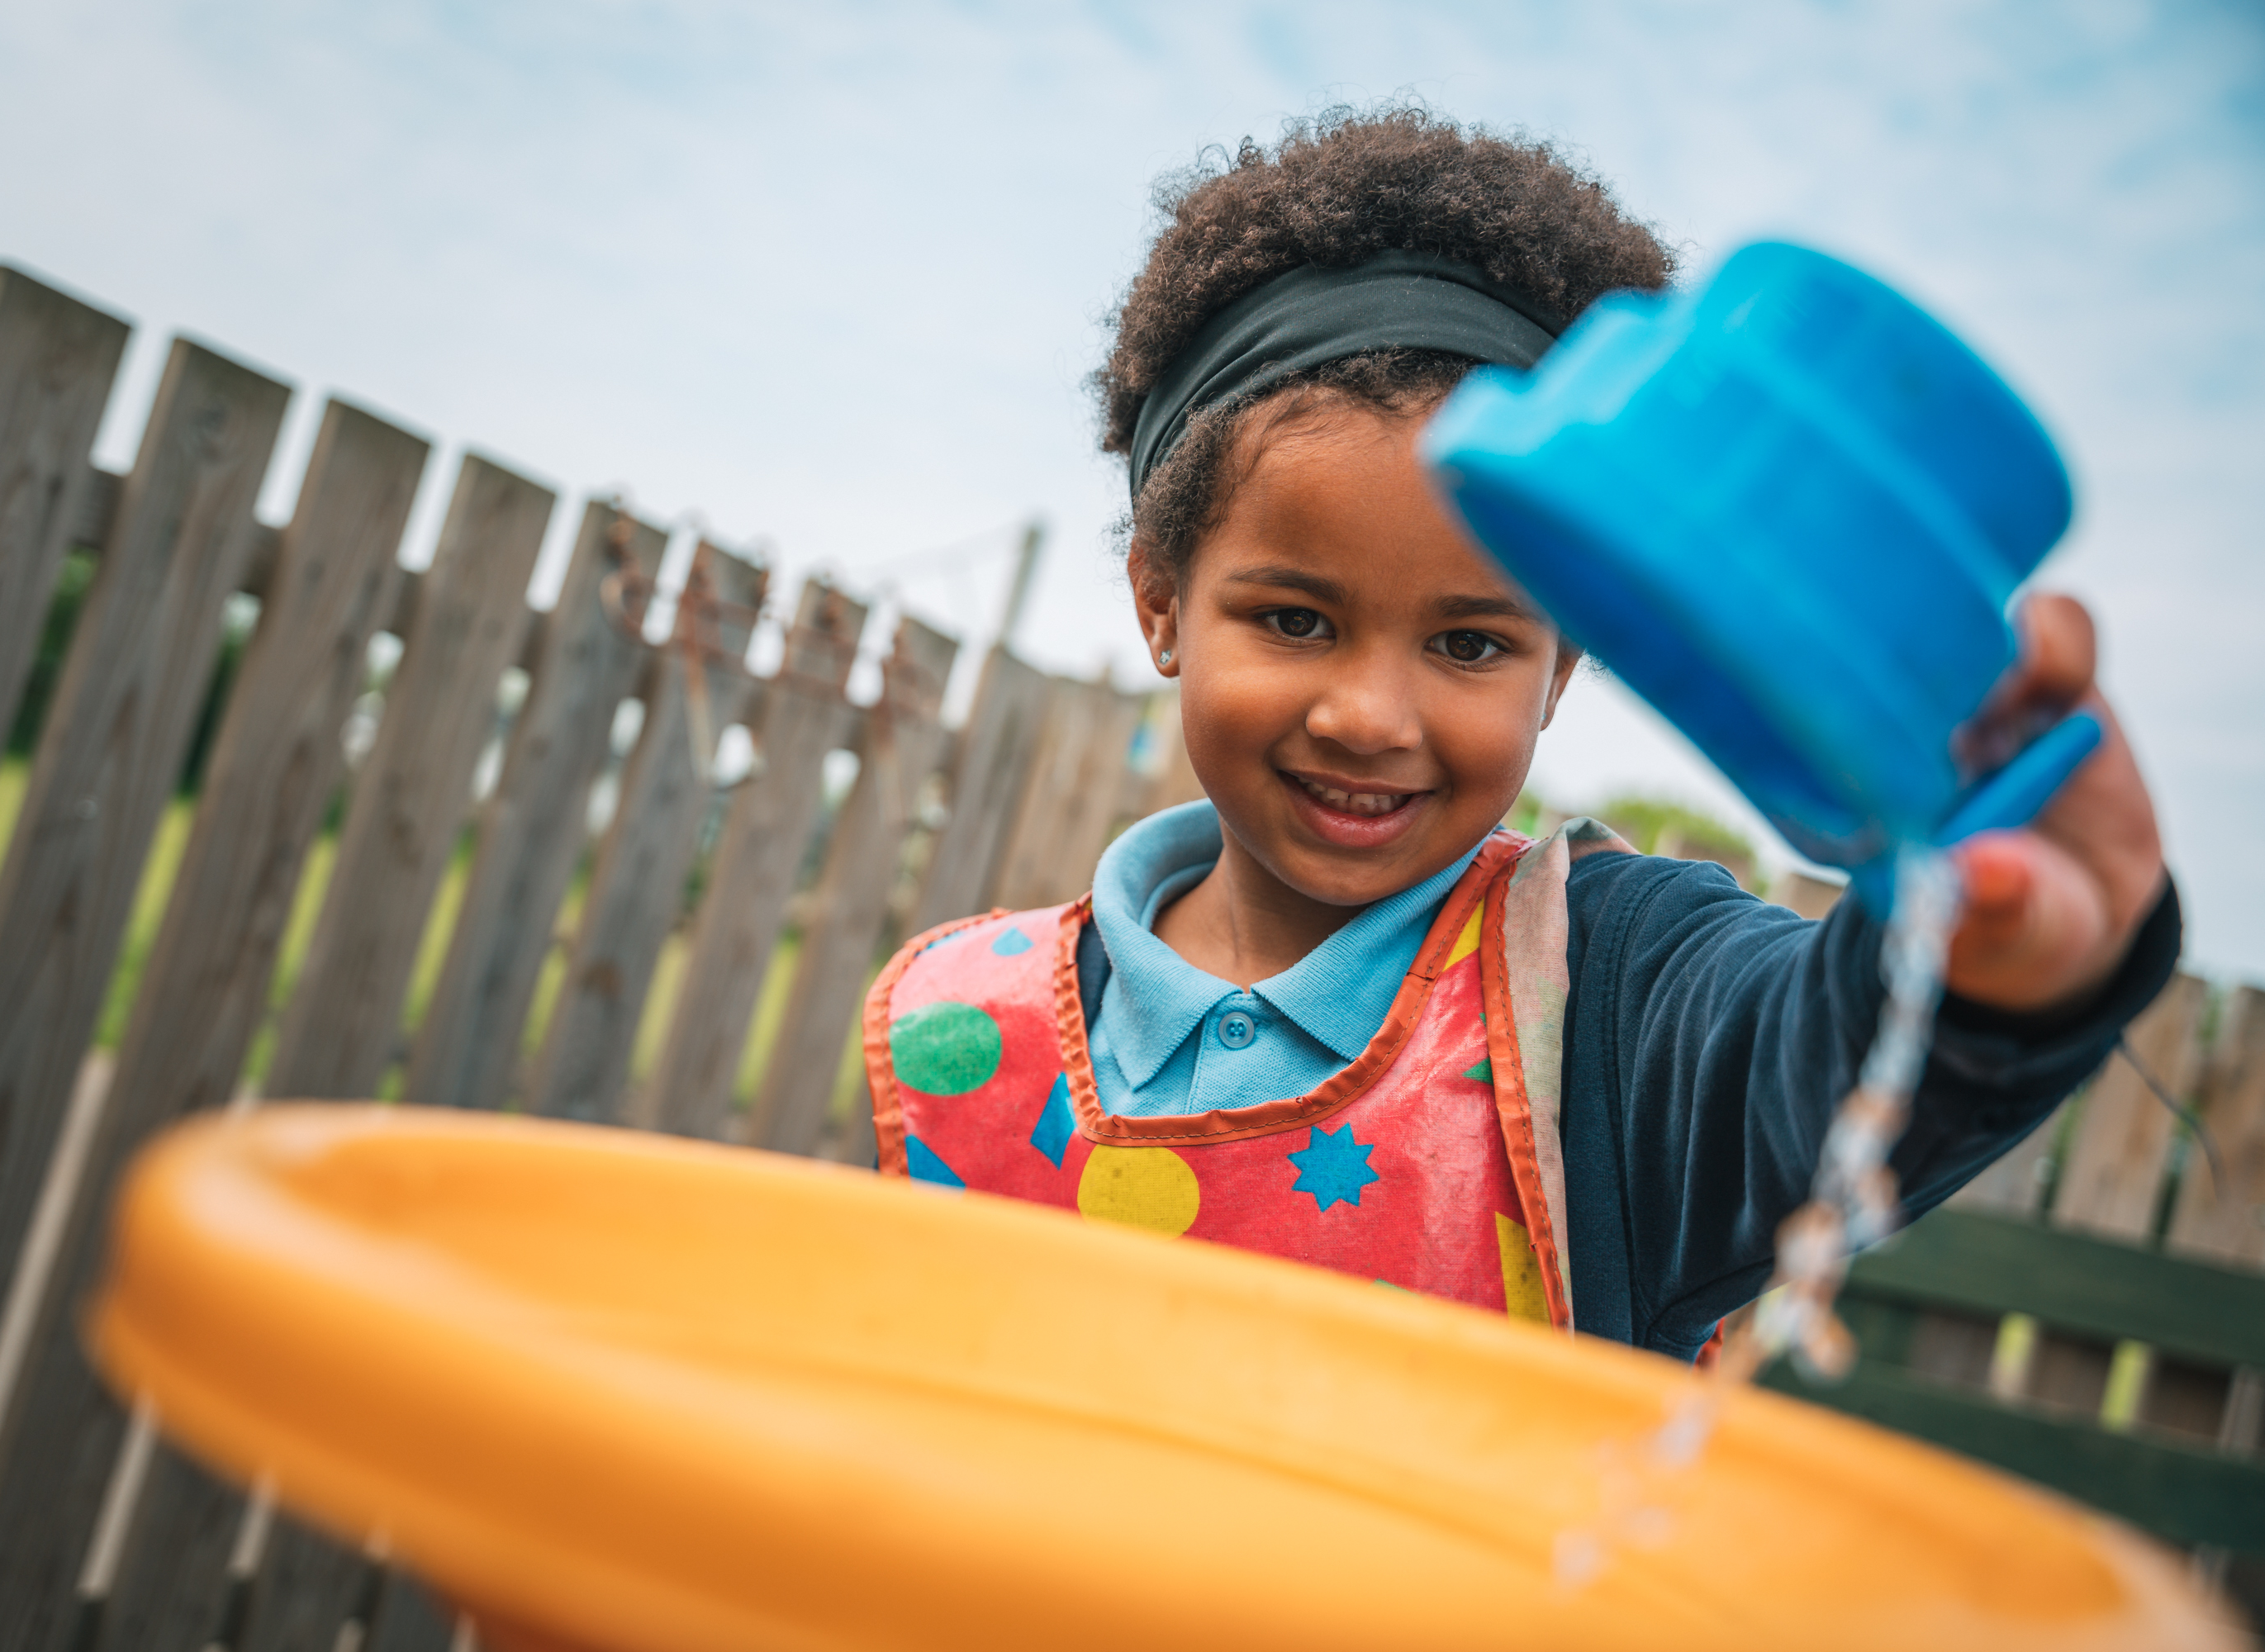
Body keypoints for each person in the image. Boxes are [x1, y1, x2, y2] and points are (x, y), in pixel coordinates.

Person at [862, 107, 2176, 1362]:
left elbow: (1809, 1057)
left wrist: (2004, 971)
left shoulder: (1608, 1009)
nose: (1371, 717)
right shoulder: (961, 1024)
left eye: (1471, 644)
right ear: (1161, 599)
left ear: (1564, 666)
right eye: (1296, 619)